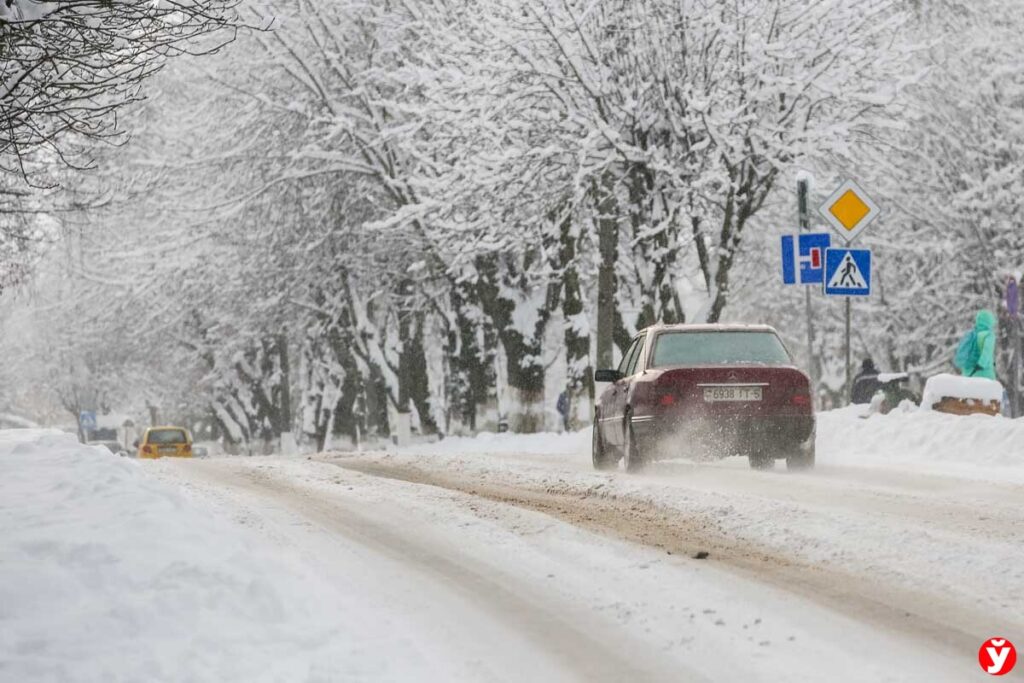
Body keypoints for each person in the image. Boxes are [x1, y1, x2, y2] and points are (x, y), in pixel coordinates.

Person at [954, 309, 997, 380]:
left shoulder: (971, 334)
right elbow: (987, 351)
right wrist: (981, 365)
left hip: (968, 372)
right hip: (983, 372)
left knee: (969, 390)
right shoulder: (988, 335)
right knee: (993, 390)